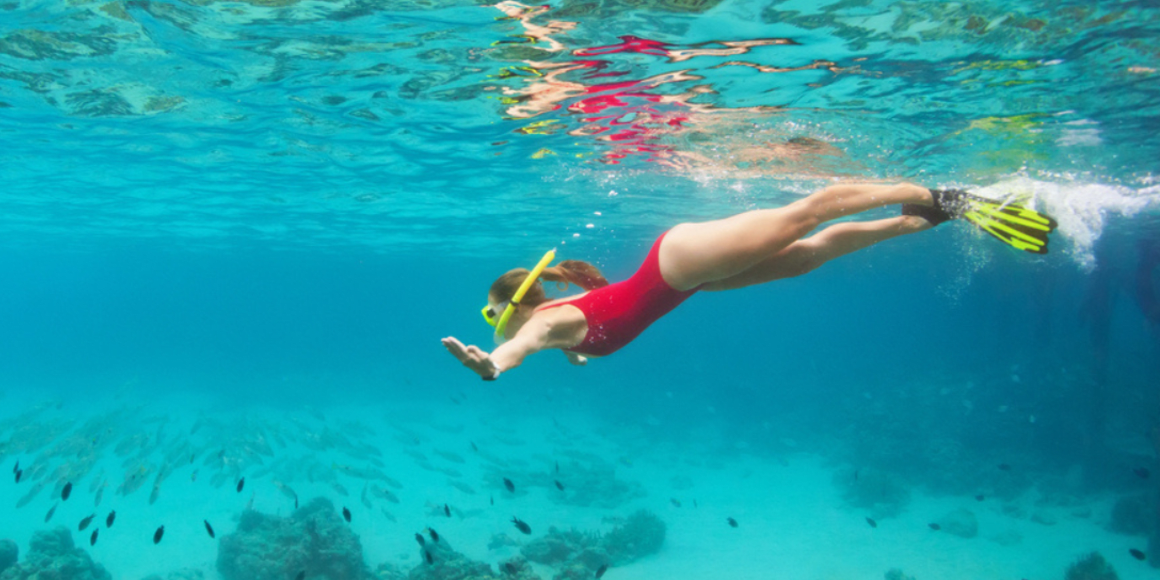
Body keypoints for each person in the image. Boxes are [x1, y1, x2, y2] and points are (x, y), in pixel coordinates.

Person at [441, 183, 1055, 381]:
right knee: (807, 255)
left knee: (806, 215)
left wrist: (494, 364)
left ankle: (947, 194)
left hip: (679, 263)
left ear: (516, 311)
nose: (494, 327)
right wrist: (567, 352)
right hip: (687, 281)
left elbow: (523, 346)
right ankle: (927, 218)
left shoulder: (543, 326)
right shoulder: (559, 325)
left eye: (492, 316)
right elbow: (568, 340)